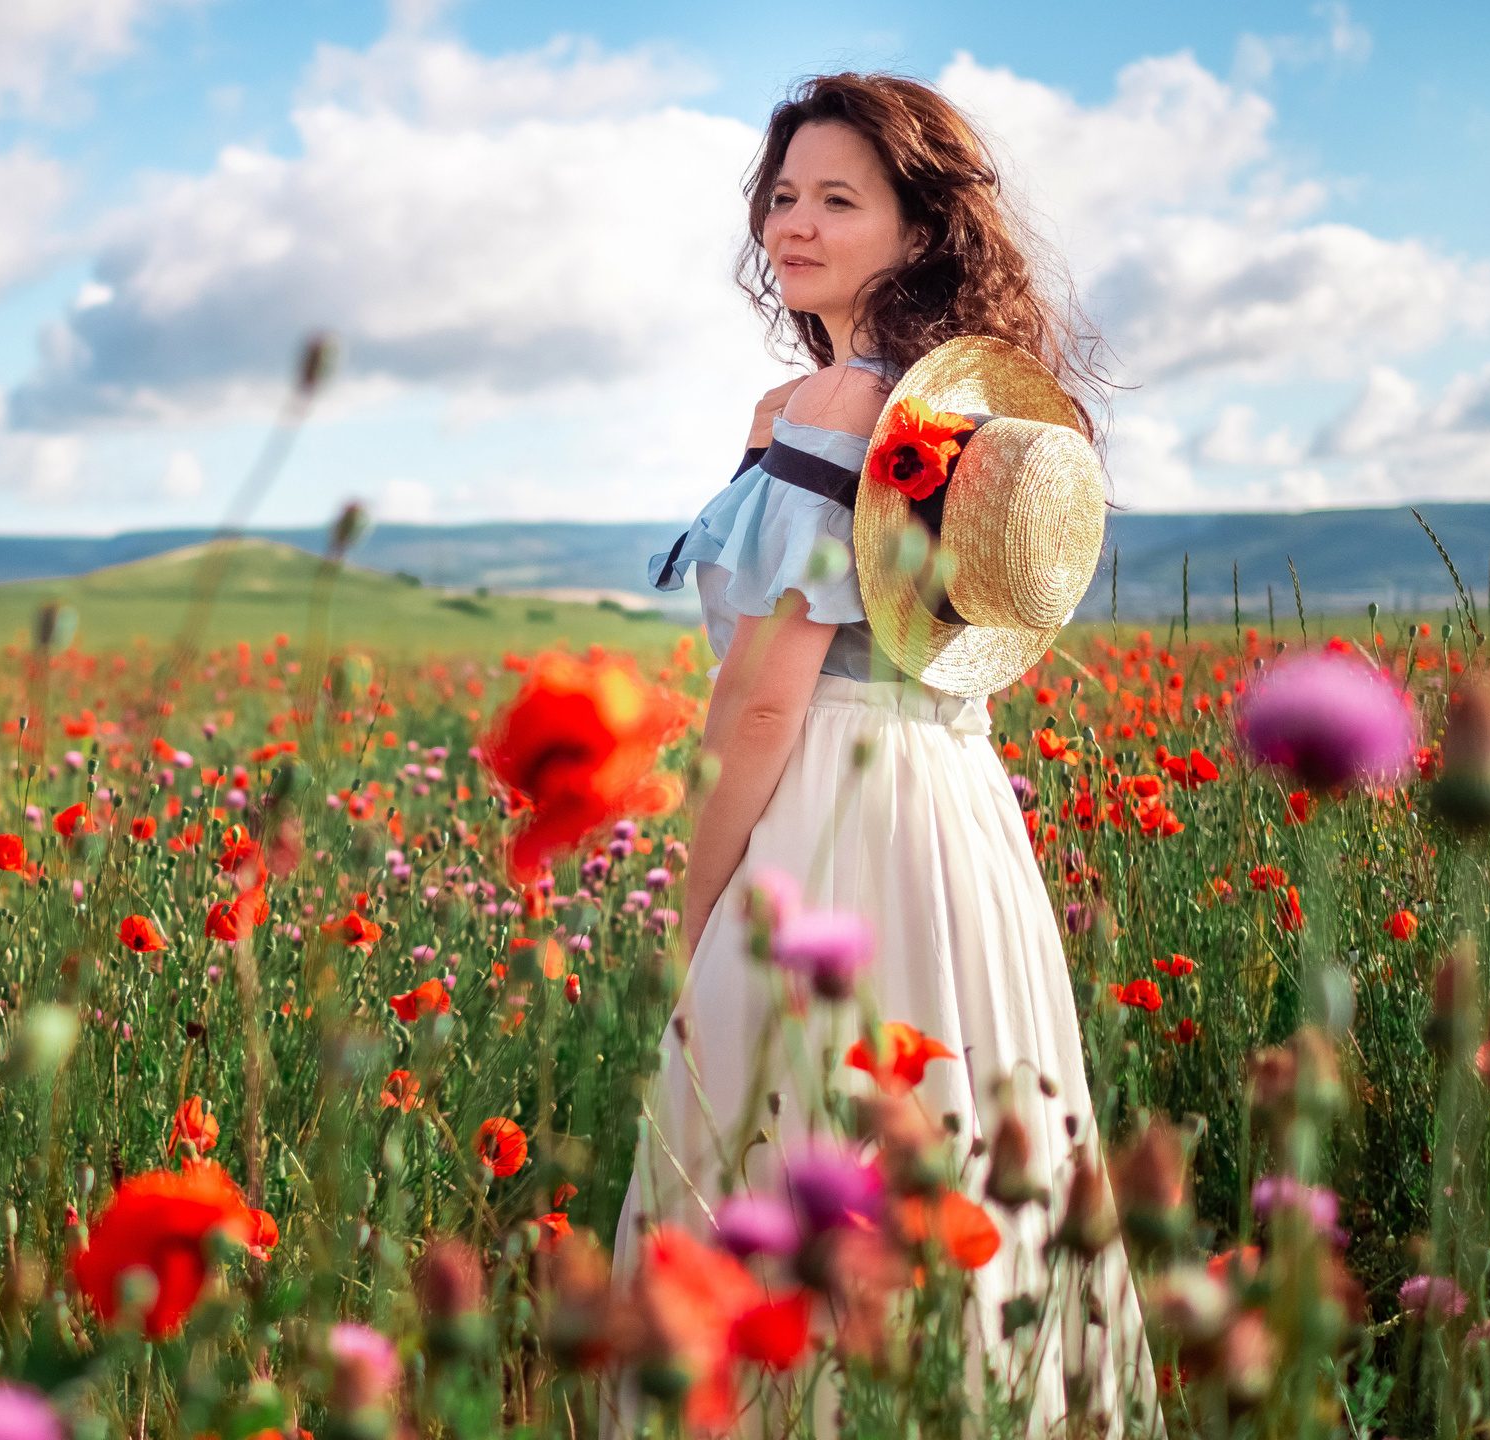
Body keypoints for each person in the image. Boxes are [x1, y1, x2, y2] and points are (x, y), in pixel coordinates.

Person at [612, 72, 1161, 1433]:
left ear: (919, 230)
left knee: (785, 1173)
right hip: (959, 812)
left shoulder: (839, 411)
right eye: (783, 196)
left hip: (825, 814)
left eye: (837, 199)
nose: (792, 224)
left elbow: (760, 704)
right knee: (966, 1174)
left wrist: (688, 908)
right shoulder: (949, 417)